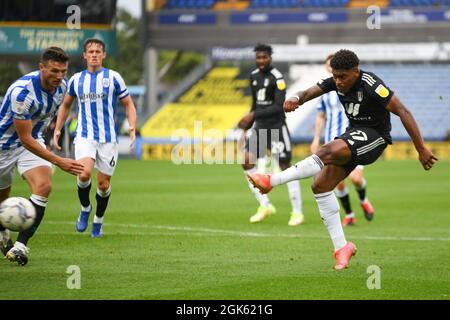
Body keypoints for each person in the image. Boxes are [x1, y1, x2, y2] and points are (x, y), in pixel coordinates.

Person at [247, 49, 438, 270]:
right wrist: (295, 97)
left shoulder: (371, 84)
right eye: (335, 76)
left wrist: (421, 148)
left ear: (355, 72)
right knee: (320, 186)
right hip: (354, 133)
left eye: (342, 77)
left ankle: (272, 181)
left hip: (376, 137)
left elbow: (403, 111)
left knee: (327, 151)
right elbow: (308, 92)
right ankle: (342, 247)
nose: (338, 81)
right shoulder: (335, 81)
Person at [0, 47, 84, 266]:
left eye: (63, 71)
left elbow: (33, 135)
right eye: (54, 71)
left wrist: (52, 139)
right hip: (5, 146)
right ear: (41, 68)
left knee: (44, 186)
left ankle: (21, 246)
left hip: (31, 142)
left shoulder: (62, 87)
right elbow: (23, 137)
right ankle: (2, 234)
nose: (59, 76)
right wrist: (58, 160)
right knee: (1, 200)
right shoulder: (22, 93)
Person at [54, 38, 137, 238]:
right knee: (83, 174)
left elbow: (128, 103)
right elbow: (65, 105)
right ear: (84, 55)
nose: (94, 54)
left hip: (108, 139)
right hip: (85, 135)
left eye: (97, 51)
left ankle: (98, 221)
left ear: (103, 55)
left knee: (103, 185)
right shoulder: (76, 80)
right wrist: (57, 129)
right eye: (90, 51)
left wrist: (132, 126)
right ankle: (85, 208)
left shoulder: (114, 77)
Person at [237, 43, 304, 226]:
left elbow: (277, 107)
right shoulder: (253, 77)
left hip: (277, 127)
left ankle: (297, 212)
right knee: (246, 161)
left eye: (264, 57)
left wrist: (253, 115)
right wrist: (247, 125)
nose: (261, 61)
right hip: (259, 127)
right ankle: (265, 205)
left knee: (286, 167)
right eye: (258, 57)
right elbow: (255, 105)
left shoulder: (278, 78)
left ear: (270, 58)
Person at [311, 54, 374, 226]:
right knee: (337, 182)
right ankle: (350, 214)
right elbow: (321, 116)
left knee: (356, 179)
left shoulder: (352, 87)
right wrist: (316, 138)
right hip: (332, 139)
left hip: (355, 138)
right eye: (328, 65)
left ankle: (364, 200)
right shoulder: (325, 92)